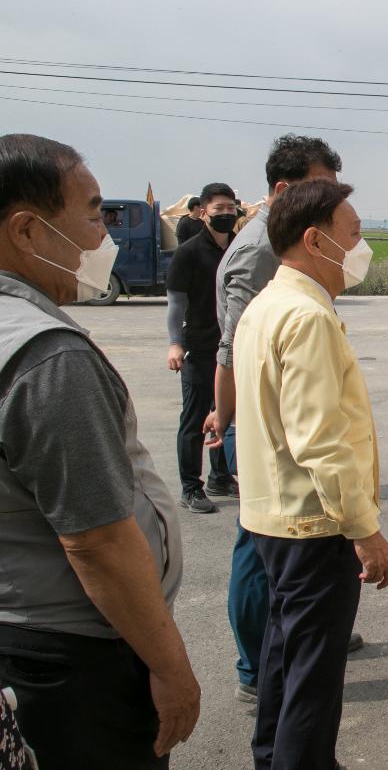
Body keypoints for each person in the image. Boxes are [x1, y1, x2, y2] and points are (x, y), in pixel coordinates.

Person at [0, 133, 199, 768]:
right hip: (71, 660)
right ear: (28, 232)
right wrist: (170, 667)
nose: (103, 235)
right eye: (91, 213)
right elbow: (98, 541)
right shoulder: (48, 358)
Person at [234, 178, 388, 770]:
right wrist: (364, 530)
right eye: (353, 235)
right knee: (313, 677)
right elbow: (321, 440)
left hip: (273, 520)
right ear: (314, 240)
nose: (362, 247)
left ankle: (272, 757)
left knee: (284, 655)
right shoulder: (307, 318)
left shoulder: (267, 305)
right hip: (313, 525)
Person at [203, 135, 360, 706]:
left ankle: (276, 660)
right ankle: (255, 665)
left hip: (273, 419)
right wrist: (224, 417)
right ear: (284, 192)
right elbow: (237, 350)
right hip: (269, 435)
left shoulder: (287, 261)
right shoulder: (260, 258)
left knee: (285, 589)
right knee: (260, 552)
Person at [167, 182, 238, 514]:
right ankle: (190, 486)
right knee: (195, 418)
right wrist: (174, 344)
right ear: (203, 212)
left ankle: (220, 477)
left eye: (230, 208)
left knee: (224, 413)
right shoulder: (189, 252)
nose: (225, 214)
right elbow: (175, 305)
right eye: (218, 209)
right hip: (200, 346)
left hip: (232, 348)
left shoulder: (239, 249)